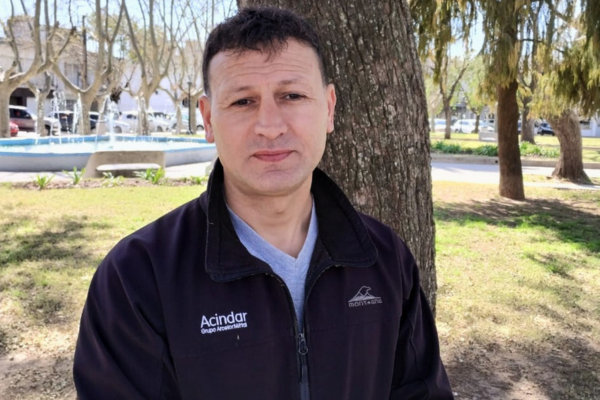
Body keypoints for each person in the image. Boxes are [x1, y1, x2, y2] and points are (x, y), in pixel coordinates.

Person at [73, 6, 454, 400]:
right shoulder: (138, 277)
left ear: (328, 108)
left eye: (292, 95)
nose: (270, 127)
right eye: (243, 101)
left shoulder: (385, 259)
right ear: (208, 118)